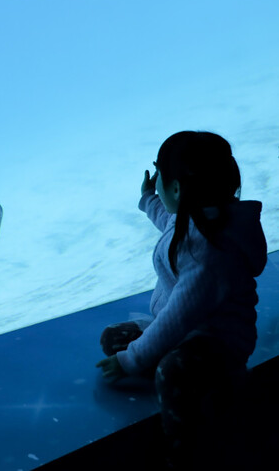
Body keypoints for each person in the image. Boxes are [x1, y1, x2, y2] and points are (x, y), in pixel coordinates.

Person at [95, 131, 267, 468]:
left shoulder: (211, 253)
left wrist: (131, 361)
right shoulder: (203, 215)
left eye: (160, 176)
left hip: (217, 344)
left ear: (177, 188)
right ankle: (167, 365)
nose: (156, 182)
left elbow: (178, 317)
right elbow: (170, 221)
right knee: (113, 339)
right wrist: (149, 201)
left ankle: (185, 452)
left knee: (172, 371)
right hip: (189, 330)